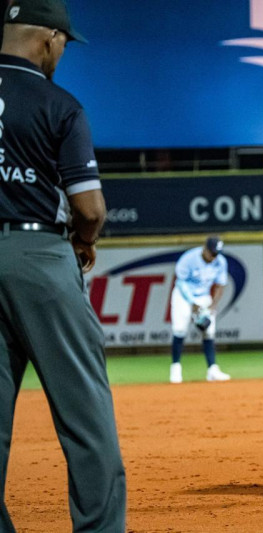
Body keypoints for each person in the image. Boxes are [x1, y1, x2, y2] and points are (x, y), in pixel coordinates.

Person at [0, 0, 127, 530]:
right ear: (49, 38)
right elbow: (90, 207)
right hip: (38, 257)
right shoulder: (58, 104)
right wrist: (83, 241)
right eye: (63, 47)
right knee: (85, 414)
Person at [169, 236, 231, 383]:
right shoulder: (189, 259)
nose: (214, 256)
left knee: (209, 331)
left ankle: (212, 370)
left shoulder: (220, 262)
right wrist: (192, 303)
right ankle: (175, 369)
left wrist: (212, 306)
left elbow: (220, 285)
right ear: (205, 249)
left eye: (217, 253)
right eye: (212, 253)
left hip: (203, 296)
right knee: (179, 330)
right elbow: (181, 282)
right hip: (183, 296)